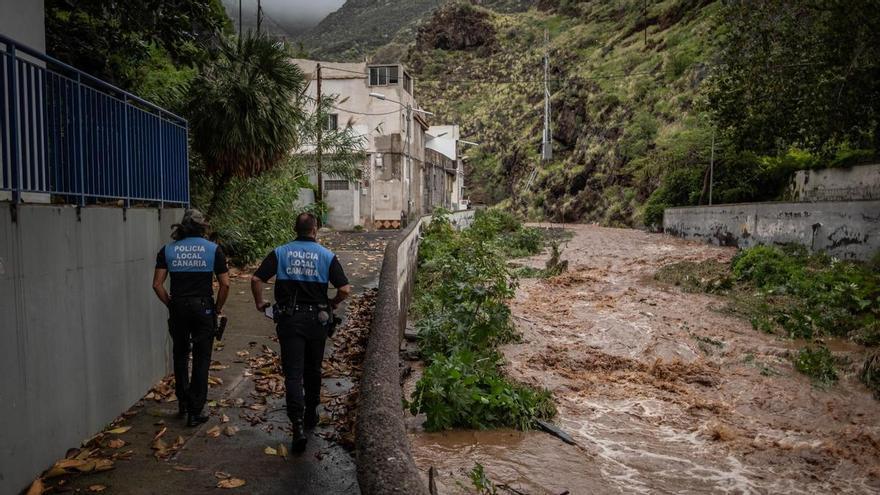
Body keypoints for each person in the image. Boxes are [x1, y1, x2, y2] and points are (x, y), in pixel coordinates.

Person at [251, 212, 351, 452]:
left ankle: (296, 425)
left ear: (295, 229)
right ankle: (310, 414)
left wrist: (259, 302)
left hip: (290, 320)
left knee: (293, 373)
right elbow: (345, 289)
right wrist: (333, 303)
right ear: (315, 229)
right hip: (318, 320)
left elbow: (256, 279)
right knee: (313, 369)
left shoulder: (281, 252)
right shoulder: (327, 256)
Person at [152, 209, 230, 427]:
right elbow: (225, 284)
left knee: (180, 353)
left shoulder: (167, 250)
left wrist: (170, 304)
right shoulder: (213, 250)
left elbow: (157, 284)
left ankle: (183, 401)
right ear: (202, 227)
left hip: (178, 306)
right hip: (203, 307)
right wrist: (217, 308)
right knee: (202, 357)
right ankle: (196, 411)